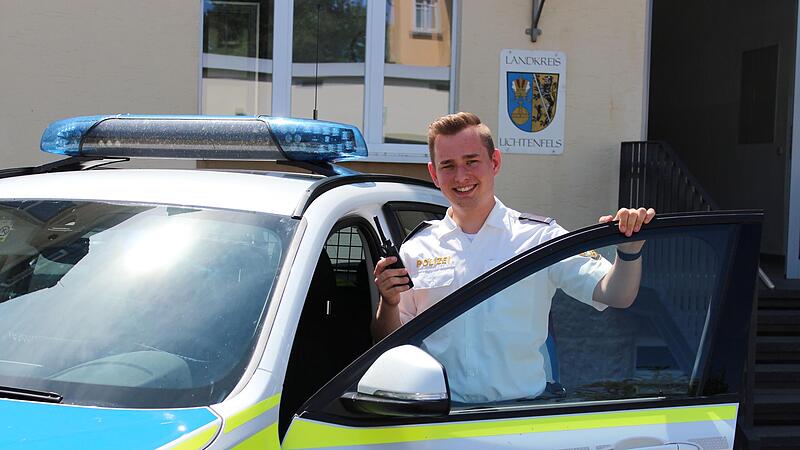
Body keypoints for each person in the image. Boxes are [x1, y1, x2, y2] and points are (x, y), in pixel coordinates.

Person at [372, 112, 654, 403]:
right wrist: (388, 303)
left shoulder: (539, 237)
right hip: (442, 418)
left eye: (471, 161)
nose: (461, 176)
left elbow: (616, 294)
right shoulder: (416, 249)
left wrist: (629, 253)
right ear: (434, 173)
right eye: (448, 166)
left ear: (495, 162)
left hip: (518, 416)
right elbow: (391, 344)